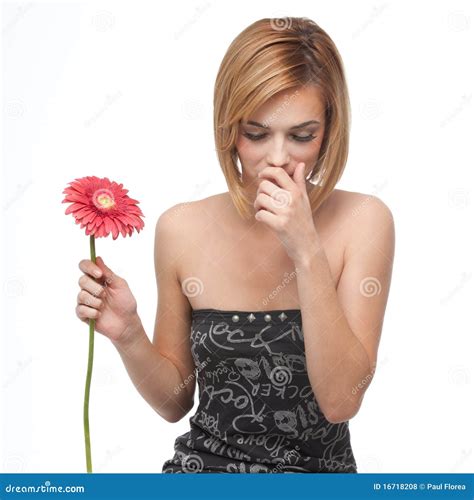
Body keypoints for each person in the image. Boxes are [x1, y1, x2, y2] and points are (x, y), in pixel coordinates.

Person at [75, 16, 395, 473]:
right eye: (256, 133)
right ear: (229, 129)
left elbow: (342, 401)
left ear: (330, 131)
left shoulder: (365, 221)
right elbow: (173, 402)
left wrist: (306, 250)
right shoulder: (181, 228)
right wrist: (128, 335)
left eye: (302, 136)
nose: (278, 157)